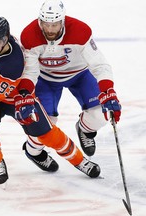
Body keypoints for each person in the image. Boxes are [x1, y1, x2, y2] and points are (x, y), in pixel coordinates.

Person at [0, 16, 101, 185]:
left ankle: (79, 160)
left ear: (4, 40)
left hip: (17, 100)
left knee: (47, 135)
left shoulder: (13, 62)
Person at [20, 0, 121, 163]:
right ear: (40, 21)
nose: (50, 29)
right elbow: (30, 72)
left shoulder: (80, 31)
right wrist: (24, 93)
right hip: (46, 79)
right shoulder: (29, 35)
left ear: (63, 21)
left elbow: (100, 64)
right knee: (42, 124)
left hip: (79, 75)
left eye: (55, 24)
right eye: (46, 24)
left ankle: (85, 129)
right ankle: (33, 152)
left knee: (100, 114)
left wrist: (108, 91)